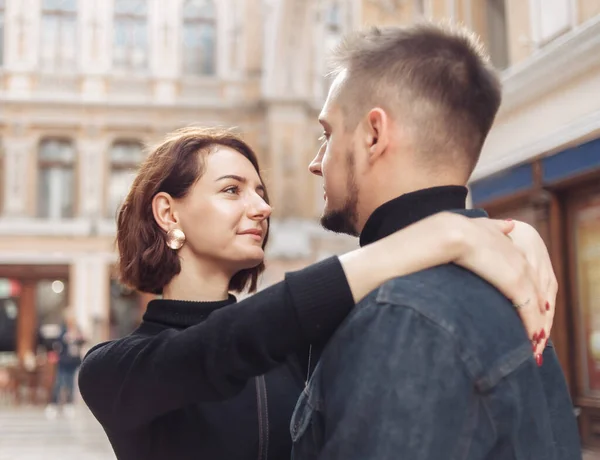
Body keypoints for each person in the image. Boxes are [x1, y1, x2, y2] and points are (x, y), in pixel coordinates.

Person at [79, 127, 554, 460]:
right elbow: (218, 349)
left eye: (261, 192)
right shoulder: (112, 372)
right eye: (232, 190)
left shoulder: (293, 349)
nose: (262, 207)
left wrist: (507, 235)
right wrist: (443, 236)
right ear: (168, 213)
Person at [290, 23, 581, 460]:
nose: (317, 163)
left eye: (327, 135)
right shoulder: (506, 286)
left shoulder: (404, 319)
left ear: (373, 135)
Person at [46, 309, 85, 418]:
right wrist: (66, 338)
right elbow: (57, 342)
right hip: (63, 361)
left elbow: (83, 340)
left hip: (73, 361)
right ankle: (54, 404)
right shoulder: (62, 329)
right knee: (59, 382)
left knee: (70, 384)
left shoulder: (78, 329)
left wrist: (78, 338)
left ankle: (69, 404)